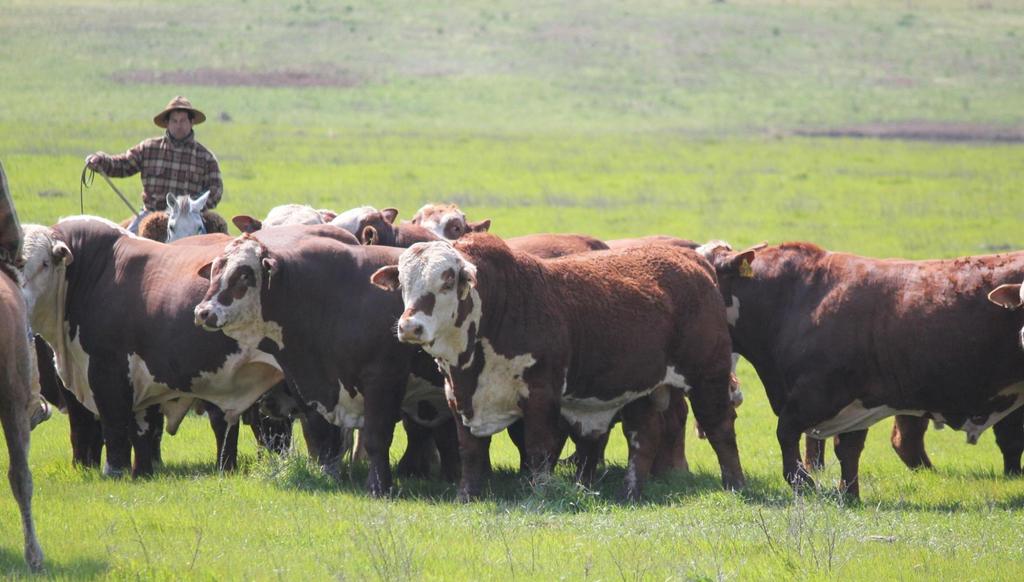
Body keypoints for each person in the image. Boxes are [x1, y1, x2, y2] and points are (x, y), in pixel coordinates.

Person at [85, 96, 223, 231]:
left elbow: (216, 189)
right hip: (150, 215)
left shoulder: (205, 157)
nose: (178, 125)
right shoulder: (149, 148)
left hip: (188, 220)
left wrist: (193, 206)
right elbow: (123, 164)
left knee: (217, 245)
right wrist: (100, 160)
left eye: (183, 121)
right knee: (126, 246)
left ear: (191, 122)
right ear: (167, 123)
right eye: (174, 121)